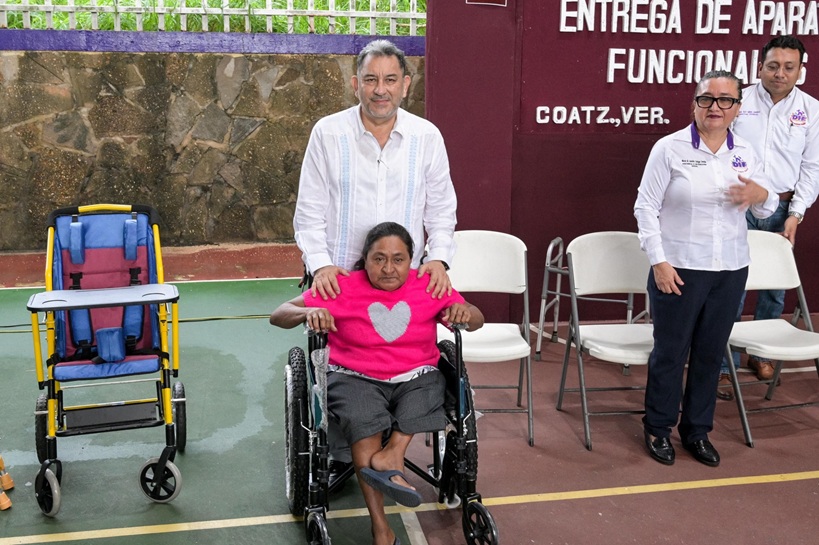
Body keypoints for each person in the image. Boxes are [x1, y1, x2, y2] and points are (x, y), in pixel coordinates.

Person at [293, 38, 459, 482]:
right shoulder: (328, 133)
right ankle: (346, 450)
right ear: (355, 84)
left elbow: (442, 210)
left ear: (406, 84)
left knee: (410, 361)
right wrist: (320, 264)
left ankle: (387, 447)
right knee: (344, 367)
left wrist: (439, 259)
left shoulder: (427, 137)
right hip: (340, 279)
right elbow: (309, 211)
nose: (380, 89)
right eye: (370, 80)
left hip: (400, 280)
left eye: (389, 80)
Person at [270, 222, 483, 545]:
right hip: (355, 376)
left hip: (416, 375)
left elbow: (477, 318)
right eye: (379, 259)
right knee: (363, 419)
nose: (388, 268)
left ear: (411, 260)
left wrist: (462, 310)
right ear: (365, 260)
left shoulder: (428, 285)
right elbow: (279, 314)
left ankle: (392, 455)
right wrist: (309, 312)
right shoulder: (341, 286)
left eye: (398, 259)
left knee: (434, 387)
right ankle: (380, 527)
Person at [634, 70, 779, 467]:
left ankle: (696, 432)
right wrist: (659, 262)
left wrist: (760, 194)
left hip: (730, 270)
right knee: (670, 353)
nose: (716, 107)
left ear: (738, 107)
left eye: (725, 100)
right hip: (678, 269)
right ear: (694, 104)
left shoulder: (745, 151)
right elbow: (645, 208)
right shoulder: (669, 148)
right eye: (707, 99)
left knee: (710, 354)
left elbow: (765, 207)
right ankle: (658, 427)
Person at [718, 35, 819, 399]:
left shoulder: (811, 110)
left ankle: (760, 354)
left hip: (783, 209)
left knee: (773, 290)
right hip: (737, 205)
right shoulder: (737, 100)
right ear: (759, 67)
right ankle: (723, 365)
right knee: (729, 287)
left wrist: (797, 213)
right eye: (773, 66)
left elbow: (812, 168)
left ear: (801, 70)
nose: (780, 73)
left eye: (789, 67)